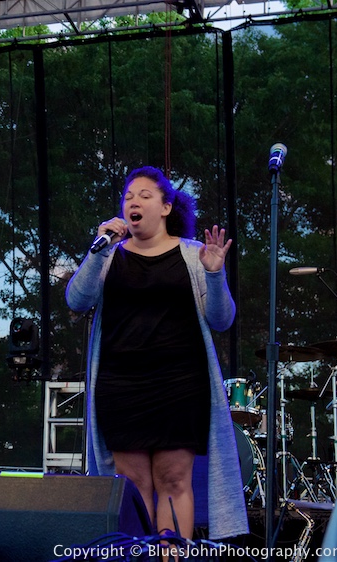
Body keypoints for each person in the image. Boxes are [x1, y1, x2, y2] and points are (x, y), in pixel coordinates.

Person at [65, 166, 248, 540]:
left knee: (173, 479)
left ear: (165, 207)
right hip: (121, 385)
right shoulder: (110, 255)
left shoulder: (193, 254)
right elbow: (76, 299)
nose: (133, 202)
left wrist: (215, 275)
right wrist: (98, 249)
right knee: (130, 483)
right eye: (128, 197)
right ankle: (138, 556)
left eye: (144, 196)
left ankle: (172, 554)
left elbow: (222, 319)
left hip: (179, 384)